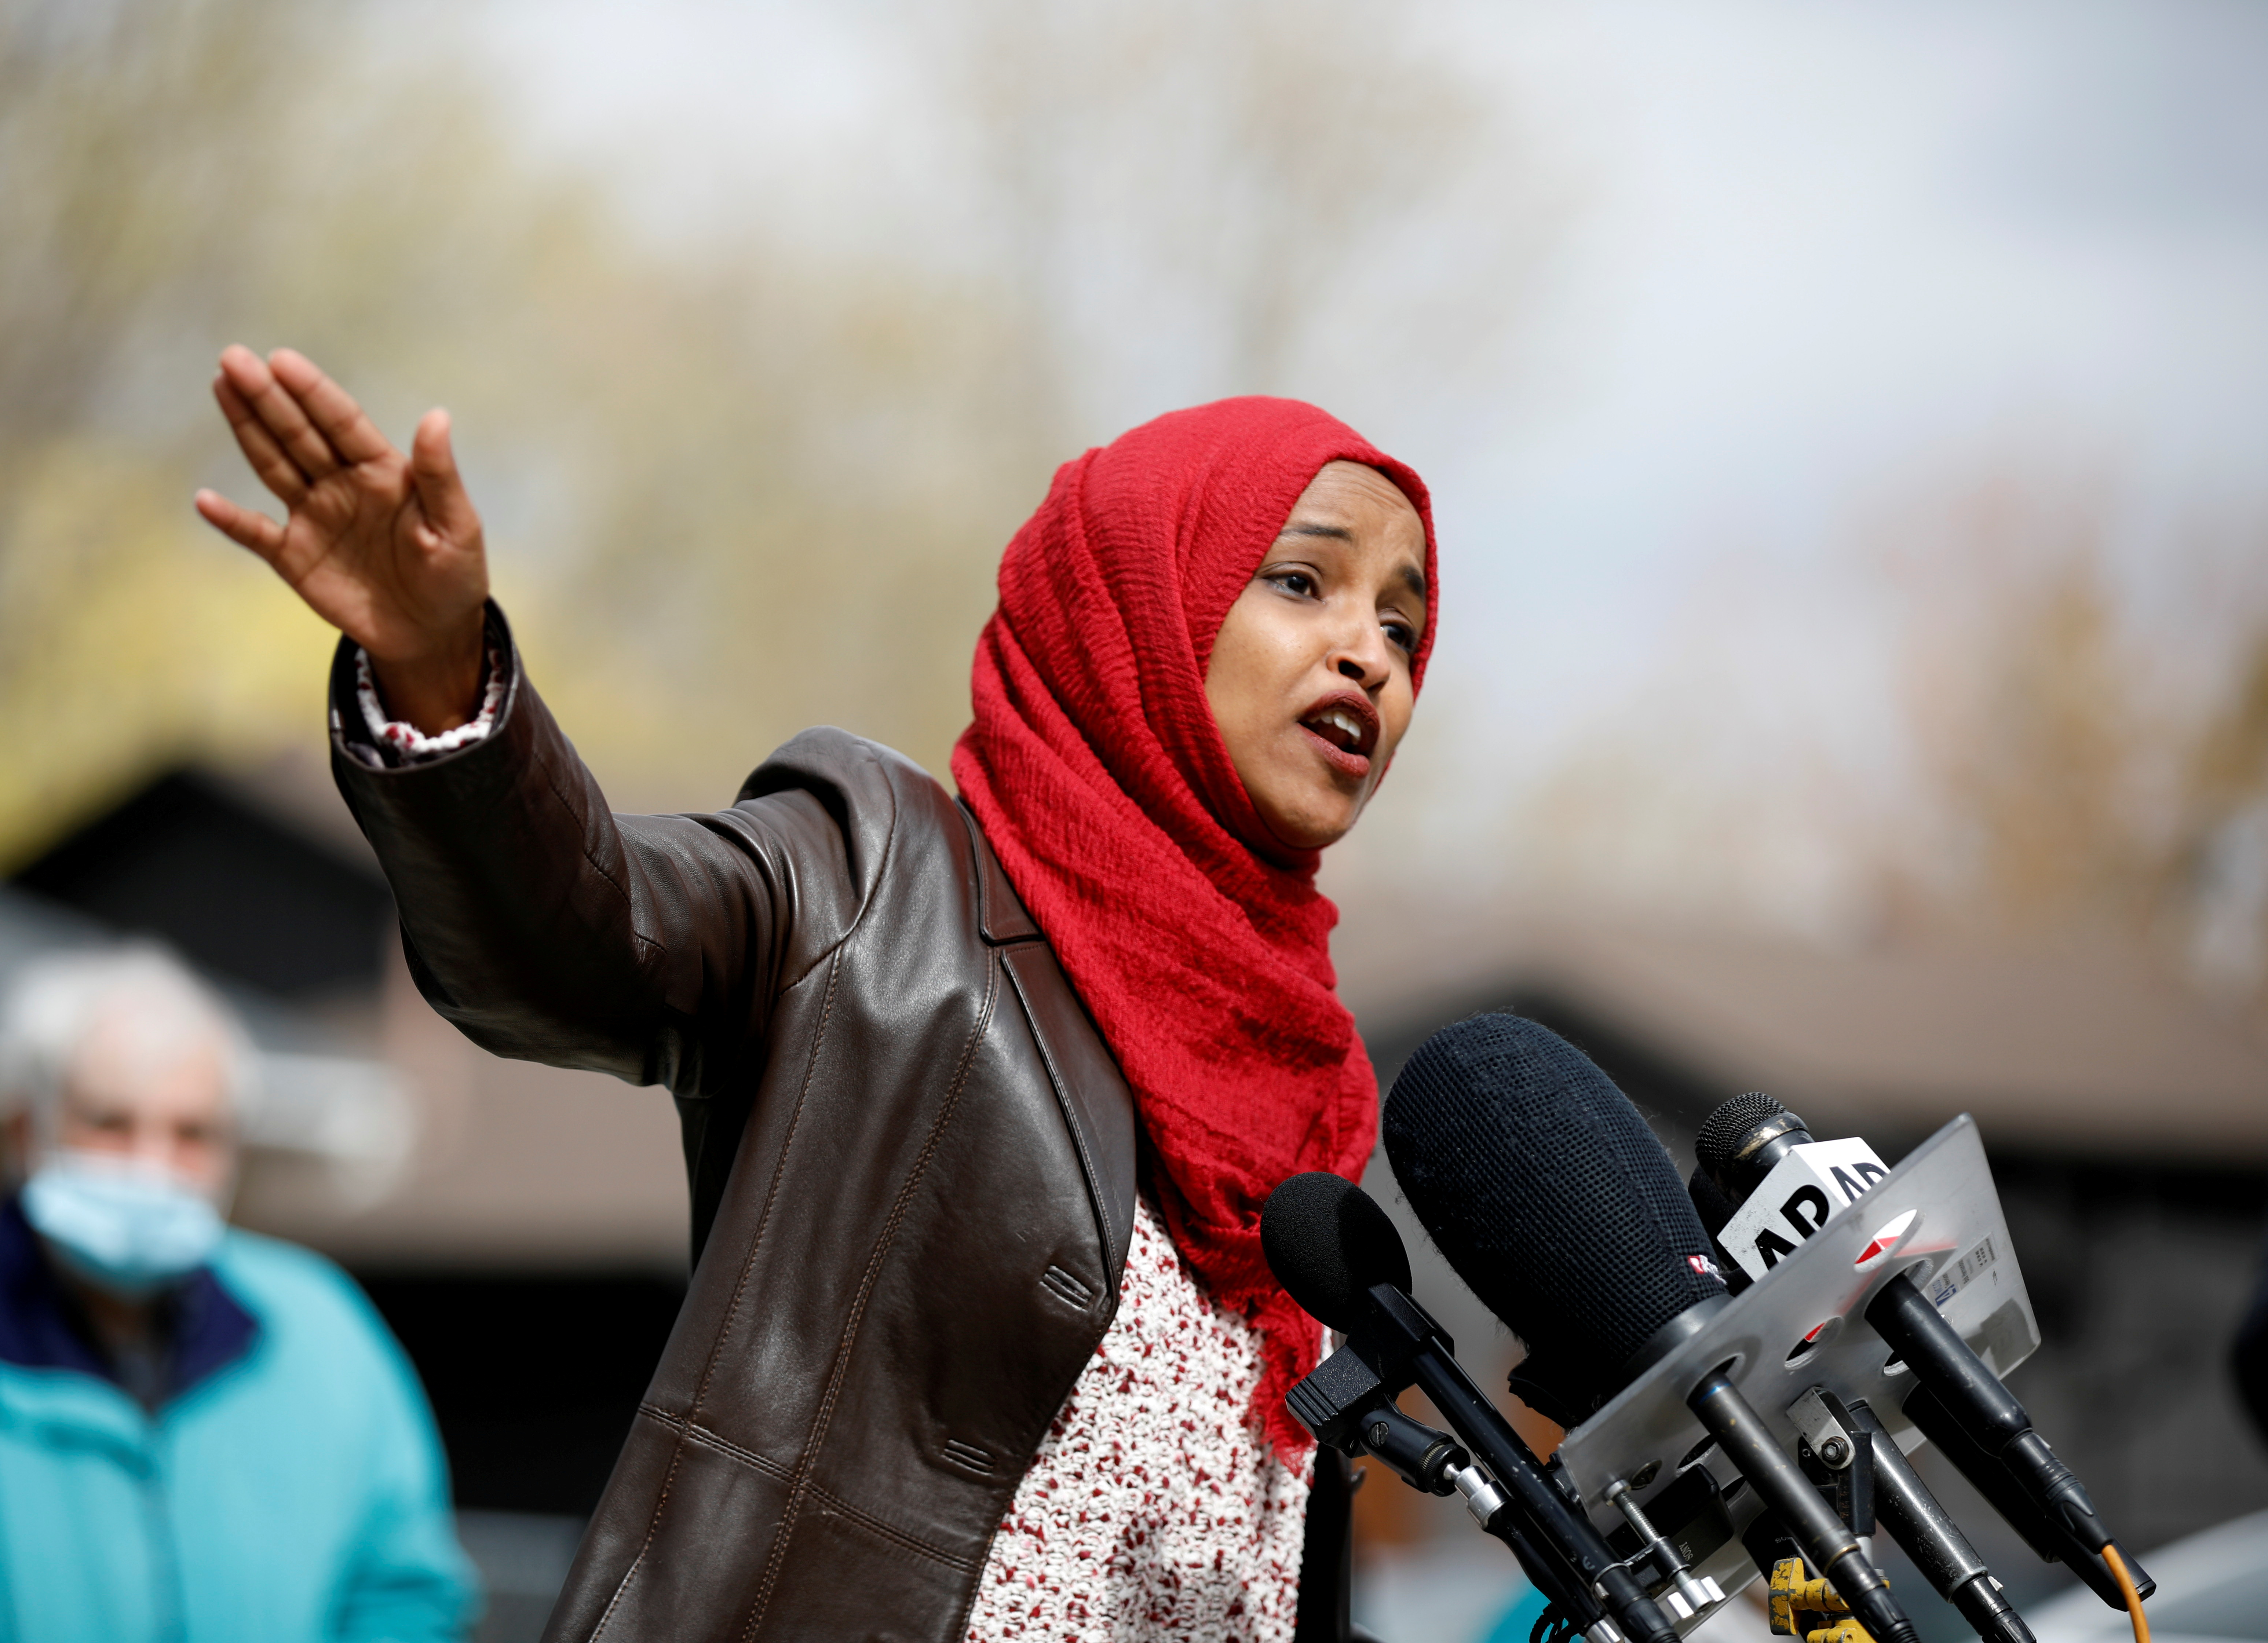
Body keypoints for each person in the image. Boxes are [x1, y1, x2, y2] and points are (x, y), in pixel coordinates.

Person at [193, 344, 1437, 1643]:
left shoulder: (1306, 1100)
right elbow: (578, 936)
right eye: (1304, 582)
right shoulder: (880, 886)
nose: (1369, 655)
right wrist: (441, 675)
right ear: (1136, 600)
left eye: (1403, 627)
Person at [0, 945, 478, 1642]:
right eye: (110, 1122)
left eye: (192, 1134)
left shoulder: (325, 1329)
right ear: (26, 1131)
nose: (151, 1165)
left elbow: (408, 1591)